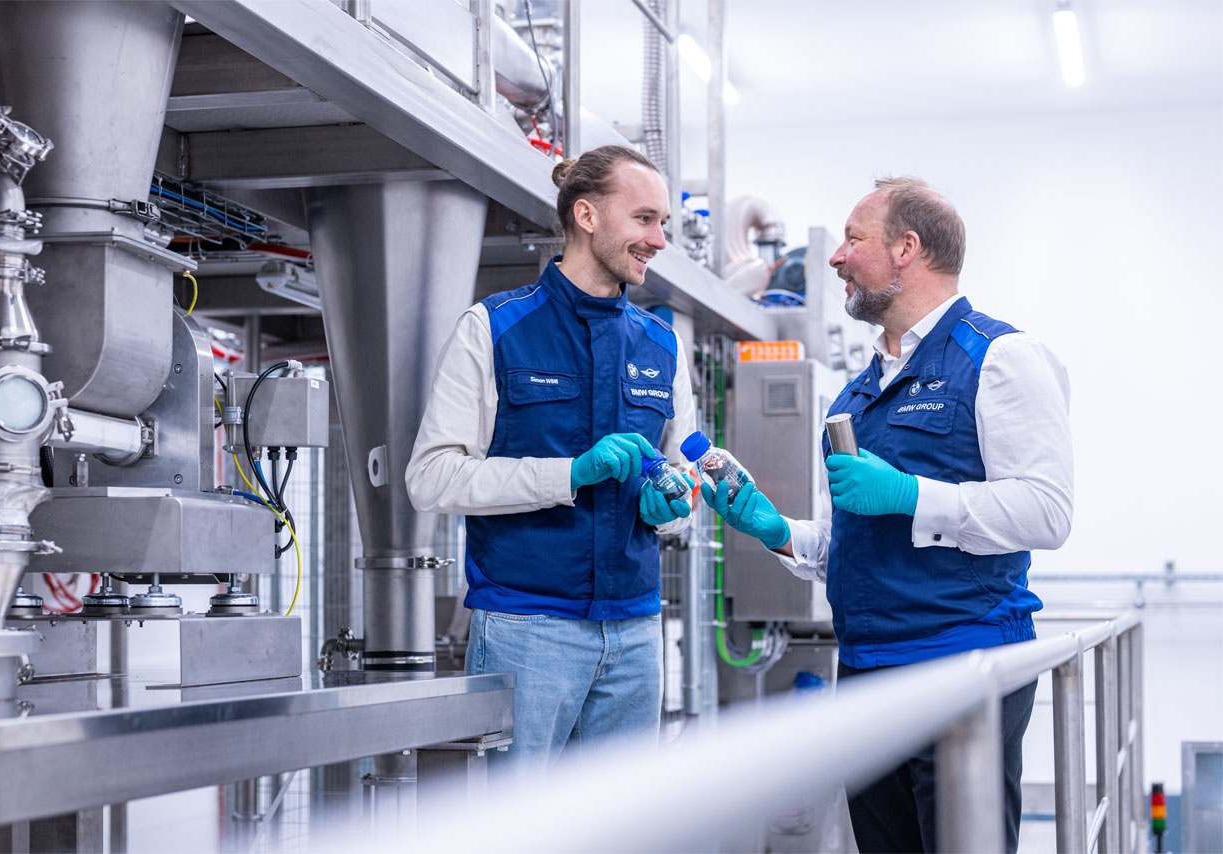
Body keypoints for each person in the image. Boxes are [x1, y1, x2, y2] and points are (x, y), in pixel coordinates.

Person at [704, 176, 1073, 853]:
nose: (837, 258)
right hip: (868, 675)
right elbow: (858, 539)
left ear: (906, 249)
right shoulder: (857, 392)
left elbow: (1047, 512)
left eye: (852, 239)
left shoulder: (1000, 358)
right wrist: (776, 530)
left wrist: (910, 495)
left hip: (963, 668)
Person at [405, 145, 697, 775]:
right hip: (525, 629)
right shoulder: (494, 328)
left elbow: (685, 483)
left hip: (638, 632)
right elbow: (429, 478)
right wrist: (568, 475)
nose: (660, 239)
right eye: (645, 220)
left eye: (664, 223)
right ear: (587, 215)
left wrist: (674, 506)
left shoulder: (661, 345)